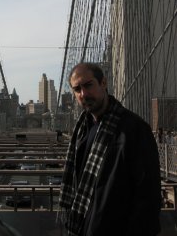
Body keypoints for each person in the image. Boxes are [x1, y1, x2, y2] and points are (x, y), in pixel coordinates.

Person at [58, 62, 161, 236]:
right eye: (77, 89)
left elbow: (148, 199)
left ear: (103, 83)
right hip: (81, 228)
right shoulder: (81, 130)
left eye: (88, 85)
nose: (83, 94)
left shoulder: (134, 130)